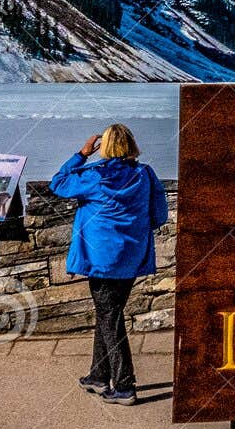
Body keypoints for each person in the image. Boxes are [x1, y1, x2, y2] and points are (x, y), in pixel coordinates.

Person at [50, 123, 169, 405]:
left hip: (101, 259)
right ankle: (98, 375)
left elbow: (57, 183)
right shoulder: (145, 174)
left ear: (103, 147)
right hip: (131, 257)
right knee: (109, 313)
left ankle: (125, 385)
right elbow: (159, 214)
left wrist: (81, 154)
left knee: (109, 315)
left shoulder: (94, 177)